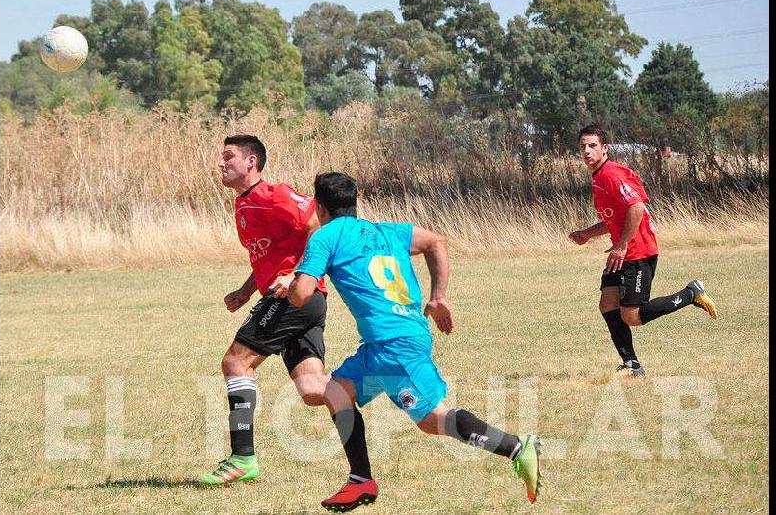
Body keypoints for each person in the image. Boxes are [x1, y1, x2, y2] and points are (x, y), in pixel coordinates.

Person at [288, 172, 542, 511]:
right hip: (387, 343)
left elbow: (302, 294)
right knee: (336, 391)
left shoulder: (325, 236)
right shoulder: (387, 231)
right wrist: (438, 298)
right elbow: (436, 241)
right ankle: (360, 480)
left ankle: (516, 447)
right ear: (354, 202)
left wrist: (290, 284)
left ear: (319, 206)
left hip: (393, 346)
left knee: (434, 418)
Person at [197, 135, 342, 485]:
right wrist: (246, 291)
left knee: (235, 362)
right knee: (311, 389)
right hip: (302, 301)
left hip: (293, 297)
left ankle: (242, 458)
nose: (221, 162)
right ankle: (372, 381)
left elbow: (319, 228)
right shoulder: (244, 204)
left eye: (228, 156)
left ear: (251, 162)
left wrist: (296, 275)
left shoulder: (273, 194)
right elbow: (269, 254)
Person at [569, 125, 718, 377]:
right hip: (622, 251)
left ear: (604, 148)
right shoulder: (598, 177)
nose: (586, 150)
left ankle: (691, 293)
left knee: (633, 317)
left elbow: (636, 208)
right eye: (583, 146)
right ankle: (632, 366)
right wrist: (587, 234)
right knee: (607, 304)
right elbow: (614, 218)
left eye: (592, 145)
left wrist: (622, 244)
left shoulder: (612, 174)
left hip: (637, 252)